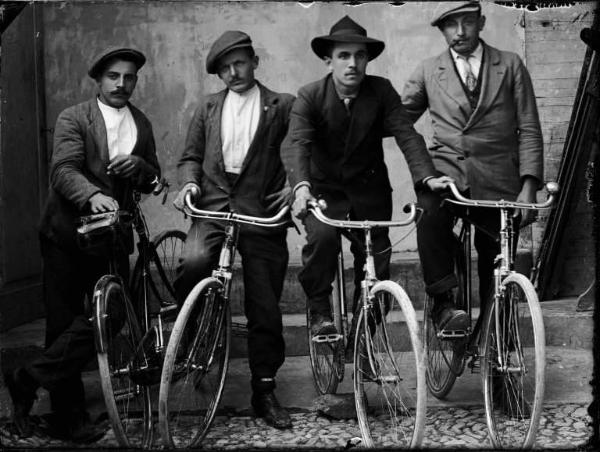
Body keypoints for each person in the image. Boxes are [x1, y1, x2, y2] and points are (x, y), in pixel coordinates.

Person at [4, 47, 160, 442]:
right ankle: (68, 417)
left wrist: (140, 168)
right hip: (66, 235)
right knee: (61, 324)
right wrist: (92, 195)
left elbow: (152, 177)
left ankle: (26, 378)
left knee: (112, 315)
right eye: (113, 76)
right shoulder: (74, 117)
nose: (121, 84)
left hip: (109, 240)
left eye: (128, 77)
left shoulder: (141, 124)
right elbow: (62, 170)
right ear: (98, 79)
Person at [281, 16, 447, 342]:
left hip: (369, 192)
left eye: (360, 56)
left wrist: (427, 177)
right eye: (344, 56)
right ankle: (319, 310)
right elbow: (297, 143)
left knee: (377, 266)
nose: (353, 64)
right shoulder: (310, 96)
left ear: (367, 59)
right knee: (324, 240)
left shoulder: (380, 91)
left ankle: (364, 340)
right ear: (328, 60)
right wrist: (301, 188)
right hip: (324, 191)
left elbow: (406, 134)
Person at [172, 31, 294, 429]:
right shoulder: (207, 107)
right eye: (224, 67)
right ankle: (192, 334)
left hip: (260, 212)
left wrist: (296, 184)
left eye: (239, 63)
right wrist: (189, 183)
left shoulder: (283, 105)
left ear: (255, 61)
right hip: (212, 207)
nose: (232, 72)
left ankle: (264, 389)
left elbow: (301, 150)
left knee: (264, 303)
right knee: (194, 261)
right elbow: (190, 156)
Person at [401, 1, 543, 334]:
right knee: (428, 214)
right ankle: (443, 304)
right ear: (442, 29)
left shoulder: (509, 64)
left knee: (498, 262)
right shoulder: (427, 71)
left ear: (481, 22)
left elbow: (530, 127)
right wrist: (425, 171)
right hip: (447, 177)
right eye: (451, 25)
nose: (460, 32)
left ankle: (497, 347)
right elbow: (399, 122)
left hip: (499, 178)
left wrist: (528, 186)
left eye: (466, 23)